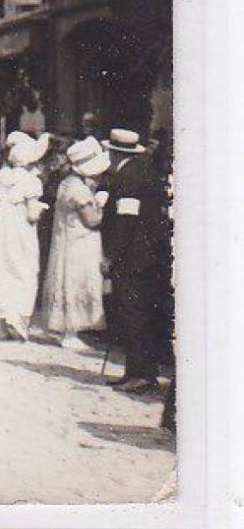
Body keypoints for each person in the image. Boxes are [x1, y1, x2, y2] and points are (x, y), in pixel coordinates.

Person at [100, 129, 171, 396]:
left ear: (115, 152)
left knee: (134, 316)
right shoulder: (143, 171)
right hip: (146, 256)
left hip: (133, 258)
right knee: (138, 315)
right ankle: (137, 371)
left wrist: (111, 256)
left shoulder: (127, 178)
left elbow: (125, 223)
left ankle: (140, 374)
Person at [35, 136, 109, 350]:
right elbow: (92, 220)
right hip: (80, 242)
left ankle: (60, 328)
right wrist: (104, 206)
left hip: (67, 240)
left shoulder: (67, 183)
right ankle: (70, 330)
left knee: (64, 278)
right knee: (75, 281)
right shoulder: (79, 190)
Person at [0, 131, 50, 341]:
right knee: (23, 270)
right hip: (21, 233)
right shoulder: (31, 182)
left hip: (1, 231)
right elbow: (31, 214)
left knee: (1, 270)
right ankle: (19, 323)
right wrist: (41, 210)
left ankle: (3, 323)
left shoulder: (2, 177)